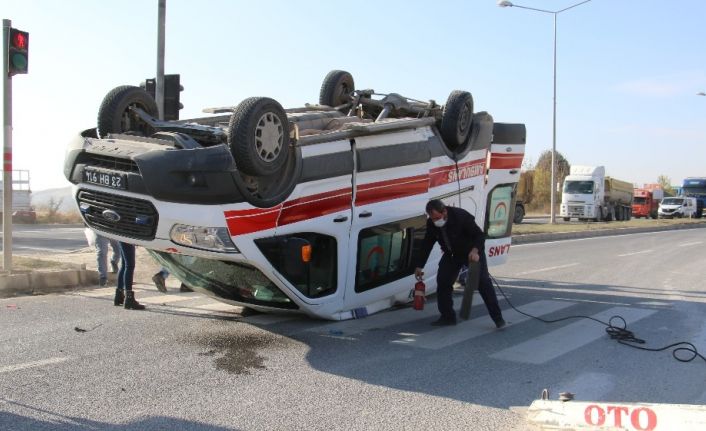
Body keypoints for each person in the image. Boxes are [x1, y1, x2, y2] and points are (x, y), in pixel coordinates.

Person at [414, 199, 505, 328]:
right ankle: (448, 317)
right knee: (443, 281)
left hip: (471, 253)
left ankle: (498, 318)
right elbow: (427, 244)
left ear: (444, 211)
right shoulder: (431, 224)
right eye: (433, 219)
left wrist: (475, 250)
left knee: (483, 282)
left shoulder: (461, 216)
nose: (436, 221)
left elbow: (479, 235)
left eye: (437, 218)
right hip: (452, 255)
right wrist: (419, 265)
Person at [114, 242, 145, 310]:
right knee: (129, 265)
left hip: (121, 236)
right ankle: (129, 299)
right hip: (127, 236)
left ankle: (119, 296)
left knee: (124, 264)